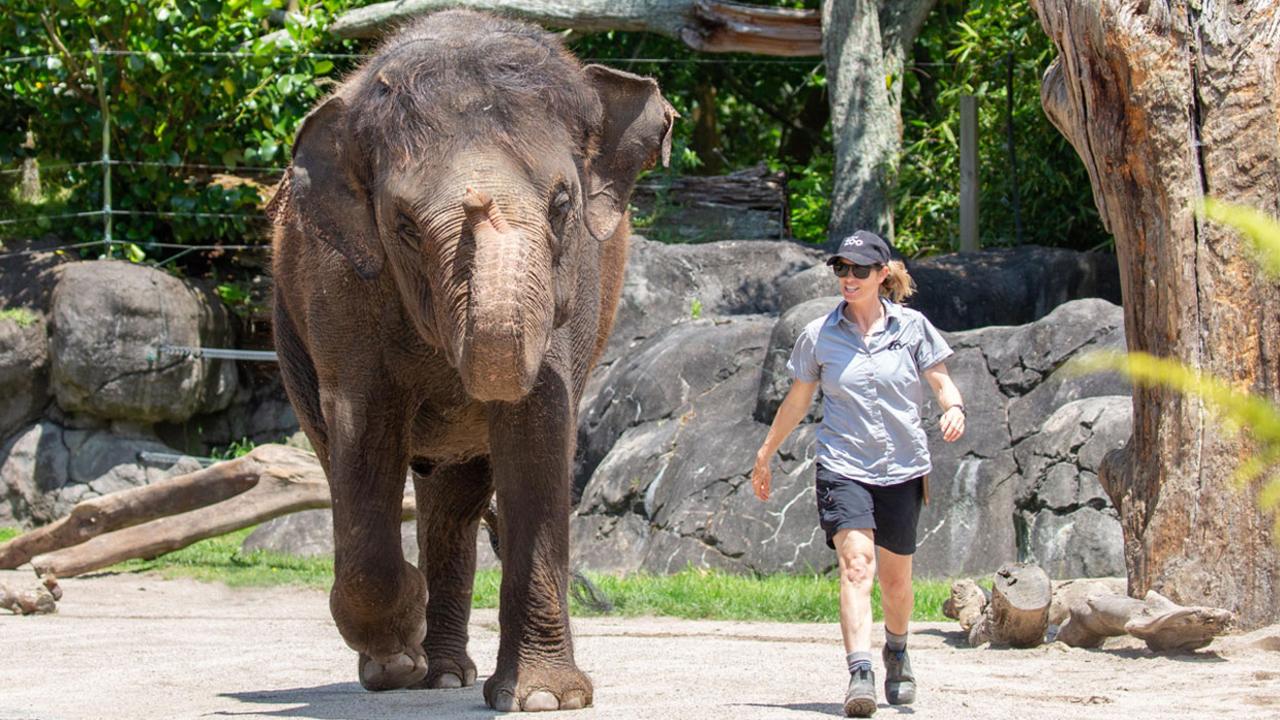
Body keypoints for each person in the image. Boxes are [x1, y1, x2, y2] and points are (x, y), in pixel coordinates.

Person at [751, 230, 965, 717]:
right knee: (856, 565)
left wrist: (953, 408)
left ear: (881, 274)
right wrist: (765, 454)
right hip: (844, 466)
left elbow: (941, 381)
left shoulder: (912, 328)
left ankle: (898, 650)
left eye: (859, 270)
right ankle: (860, 672)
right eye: (841, 269)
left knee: (896, 583)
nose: (848, 278)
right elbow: (798, 399)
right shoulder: (819, 335)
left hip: (904, 467)